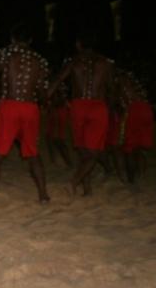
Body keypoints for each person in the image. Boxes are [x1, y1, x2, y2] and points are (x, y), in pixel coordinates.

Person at [0, 23, 51, 203]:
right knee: (33, 153)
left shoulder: (7, 54)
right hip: (30, 107)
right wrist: (45, 102)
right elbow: (42, 90)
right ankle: (43, 194)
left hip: (9, 106)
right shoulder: (39, 60)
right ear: (30, 40)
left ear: (12, 38)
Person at [48, 30, 114, 196]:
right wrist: (111, 109)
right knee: (92, 151)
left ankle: (82, 186)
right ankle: (81, 186)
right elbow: (111, 88)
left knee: (83, 150)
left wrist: (44, 96)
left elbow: (57, 80)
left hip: (78, 106)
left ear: (78, 44)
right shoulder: (106, 63)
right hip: (98, 106)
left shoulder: (74, 62)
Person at [115, 69, 153, 183]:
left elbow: (121, 102)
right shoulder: (135, 84)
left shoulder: (120, 83)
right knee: (140, 146)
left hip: (134, 110)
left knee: (129, 148)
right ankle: (141, 174)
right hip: (146, 109)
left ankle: (131, 179)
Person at [44, 78, 73, 168]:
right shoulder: (50, 83)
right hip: (54, 111)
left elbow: (62, 100)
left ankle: (68, 163)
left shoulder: (60, 84)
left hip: (61, 111)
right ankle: (54, 160)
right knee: (49, 137)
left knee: (59, 139)